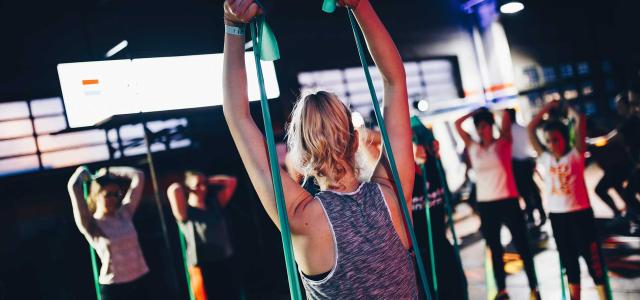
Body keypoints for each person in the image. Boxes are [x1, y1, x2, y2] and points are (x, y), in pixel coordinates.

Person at [222, 0, 419, 298]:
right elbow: (395, 81)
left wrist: (232, 26)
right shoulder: (393, 192)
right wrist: (360, 5)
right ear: (356, 140)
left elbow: (238, 117)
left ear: (300, 156)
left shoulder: (302, 217)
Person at [454, 108, 540, 300]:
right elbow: (457, 124)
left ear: (492, 126)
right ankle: (502, 289)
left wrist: (489, 110)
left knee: (523, 245)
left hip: (508, 201)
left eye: (484, 125)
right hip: (487, 205)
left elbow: (507, 116)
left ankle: (533, 286)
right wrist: (476, 111)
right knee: (495, 249)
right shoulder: (473, 147)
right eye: (478, 127)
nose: (481, 130)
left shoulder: (503, 143)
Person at [528, 101, 609, 300]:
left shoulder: (575, 155)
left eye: (555, 139)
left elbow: (580, 120)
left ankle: (603, 296)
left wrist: (563, 106)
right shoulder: (546, 158)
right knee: (569, 261)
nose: (551, 144)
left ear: (564, 138)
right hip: (557, 217)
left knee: (593, 259)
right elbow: (531, 128)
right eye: (548, 141)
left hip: (580, 214)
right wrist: (546, 108)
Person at [67, 166, 149, 300]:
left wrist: (110, 171)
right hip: (116, 288)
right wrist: (81, 174)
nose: (114, 199)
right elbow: (73, 187)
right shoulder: (91, 224)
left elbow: (139, 175)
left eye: (117, 194)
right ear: (96, 196)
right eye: (108, 195)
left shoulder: (124, 213)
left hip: (140, 281)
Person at [411, 118, 468, 300]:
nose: (420, 147)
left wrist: (435, 151)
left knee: (458, 287)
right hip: (418, 254)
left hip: (441, 243)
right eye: (414, 142)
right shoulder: (400, 175)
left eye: (421, 141)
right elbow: (370, 141)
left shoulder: (434, 166)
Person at [167, 171, 238, 300]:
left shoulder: (214, 204)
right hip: (202, 265)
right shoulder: (185, 212)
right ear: (189, 188)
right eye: (199, 185)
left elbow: (232, 182)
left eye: (204, 184)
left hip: (224, 261)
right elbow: (173, 189)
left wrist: (208, 180)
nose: (203, 188)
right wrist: (187, 186)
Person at [506, 108, 546, 226]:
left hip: (517, 164)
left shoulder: (508, 132)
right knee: (532, 188)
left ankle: (531, 215)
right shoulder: (523, 129)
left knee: (524, 190)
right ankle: (541, 212)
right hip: (528, 161)